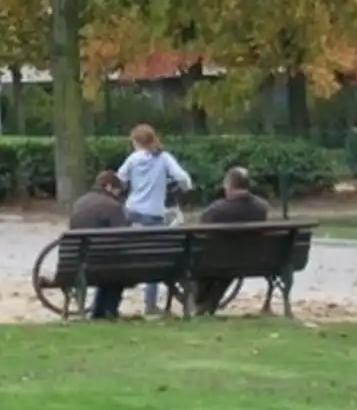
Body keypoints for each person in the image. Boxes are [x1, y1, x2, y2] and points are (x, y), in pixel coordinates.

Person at [116, 124, 192, 317]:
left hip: (132, 211)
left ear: (136, 142)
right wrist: (185, 187)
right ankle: (150, 304)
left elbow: (119, 179)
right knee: (154, 258)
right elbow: (181, 177)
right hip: (154, 214)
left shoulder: (133, 159)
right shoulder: (164, 158)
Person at [193, 167, 273, 315]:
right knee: (227, 264)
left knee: (206, 261)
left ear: (229, 186)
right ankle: (207, 303)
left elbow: (200, 231)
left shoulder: (216, 211)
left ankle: (202, 302)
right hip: (253, 260)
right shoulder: (262, 208)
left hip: (216, 261)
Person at [67, 170, 130, 320]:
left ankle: (99, 311)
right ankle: (109, 309)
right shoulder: (113, 206)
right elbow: (124, 235)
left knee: (108, 265)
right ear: (108, 187)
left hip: (80, 264)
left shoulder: (80, 202)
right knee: (117, 267)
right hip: (106, 264)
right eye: (117, 191)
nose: (118, 195)